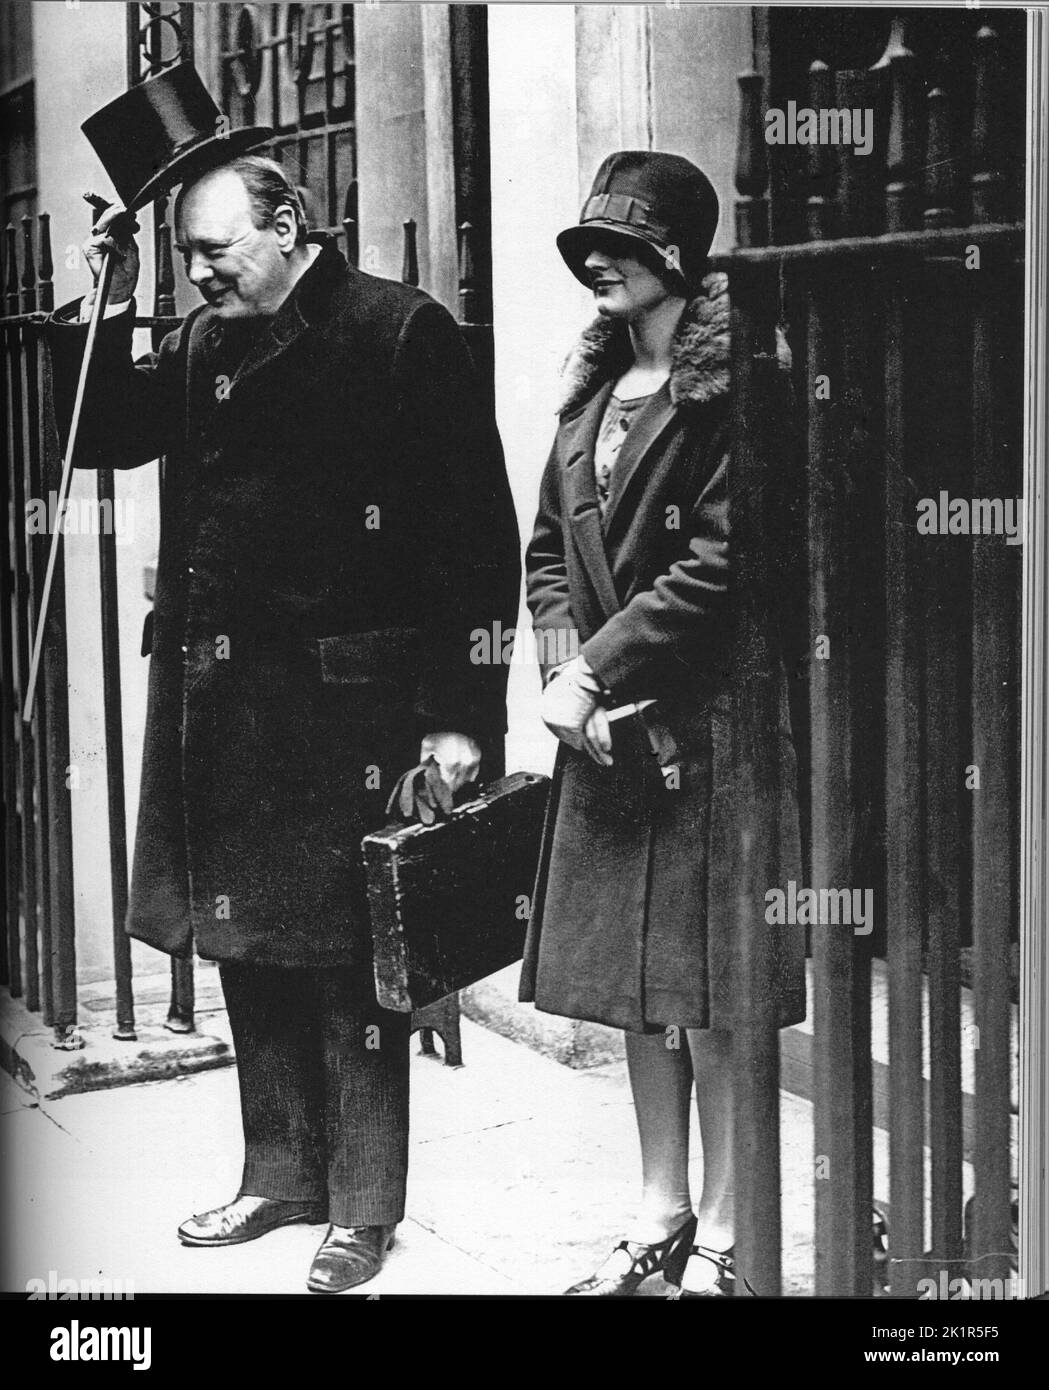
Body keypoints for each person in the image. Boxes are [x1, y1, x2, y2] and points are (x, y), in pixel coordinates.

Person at [48, 154, 520, 1293]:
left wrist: (458, 717)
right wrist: (103, 302)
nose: (197, 272)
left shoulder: (399, 332)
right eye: (187, 255)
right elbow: (102, 427)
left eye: (213, 250)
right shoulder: (208, 339)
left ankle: (363, 1203)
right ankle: (281, 1173)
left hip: (353, 709)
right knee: (250, 945)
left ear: (288, 225)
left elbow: (474, 538)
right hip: (229, 703)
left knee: (356, 963)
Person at [520, 151, 805, 1296]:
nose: (597, 262)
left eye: (622, 248)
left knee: (717, 995)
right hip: (602, 736)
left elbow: (721, 566)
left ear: (675, 260)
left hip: (705, 726)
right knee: (637, 994)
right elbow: (546, 546)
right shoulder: (588, 395)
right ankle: (659, 1215)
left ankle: (734, 1239)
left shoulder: (737, 389)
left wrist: (590, 671)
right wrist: (560, 666)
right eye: (590, 244)